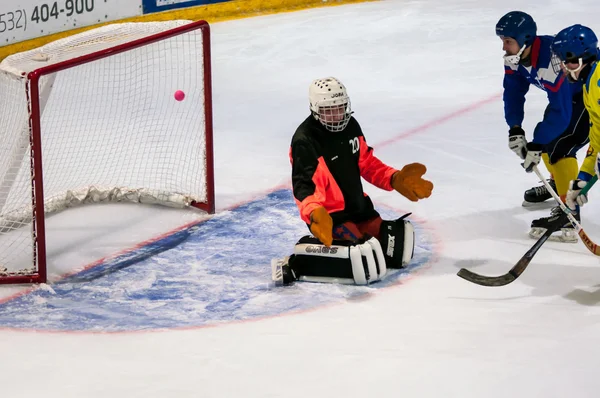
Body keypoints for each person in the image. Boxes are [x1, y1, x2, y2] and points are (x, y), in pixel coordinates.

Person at [271, 77, 433, 286]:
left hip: (359, 208)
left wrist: (395, 178)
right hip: (331, 216)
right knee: (360, 253)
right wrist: (314, 213)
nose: (336, 115)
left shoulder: (351, 126)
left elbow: (366, 163)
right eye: (329, 110)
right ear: (315, 109)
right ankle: (296, 263)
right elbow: (303, 186)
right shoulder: (305, 140)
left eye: (340, 108)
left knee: (395, 245)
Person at [496, 11, 590, 242]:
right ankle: (560, 183)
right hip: (570, 97)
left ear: (525, 39)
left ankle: (569, 212)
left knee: (558, 146)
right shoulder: (516, 58)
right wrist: (515, 127)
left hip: (590, 98)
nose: (504, 48)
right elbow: (513, 92)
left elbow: (562, 113)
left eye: (508, 41)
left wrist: (537, 144)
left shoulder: (551, 60)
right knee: (548, 142)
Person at [551, 25, 600, 214]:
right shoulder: (589, 83)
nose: (562, 66)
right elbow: (597, 139)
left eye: (566, 60)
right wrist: (583, 179)